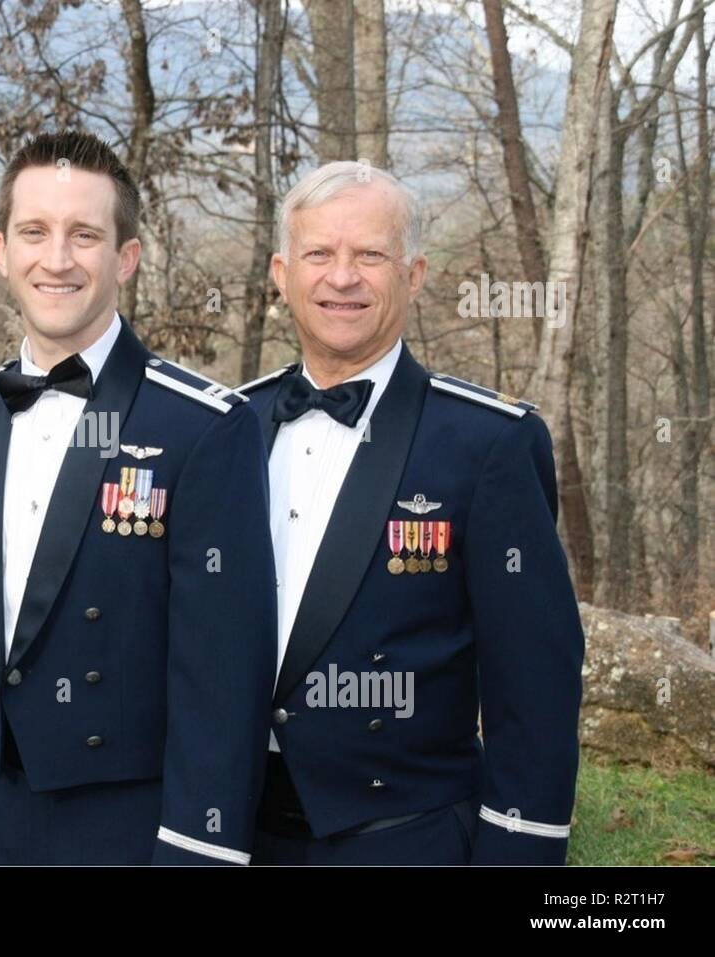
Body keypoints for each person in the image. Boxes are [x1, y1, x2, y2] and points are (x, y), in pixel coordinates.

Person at [0, 131, 276, 865]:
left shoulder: (202, 426)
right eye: (35, 232)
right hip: (2, 826)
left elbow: (225, 675)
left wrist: (200, 848)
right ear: (3, 251)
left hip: (142, 830)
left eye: (85, 235)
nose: (58, 258)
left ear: (124, 258)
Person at [237, 161, 584, 865]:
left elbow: (535, 690)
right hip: (235, 832)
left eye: (370, 254)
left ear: (415, 273)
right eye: (319, 254)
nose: (343, 277)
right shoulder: (225, 429)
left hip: (403, 839)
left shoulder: (488, 442)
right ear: (281, 272)